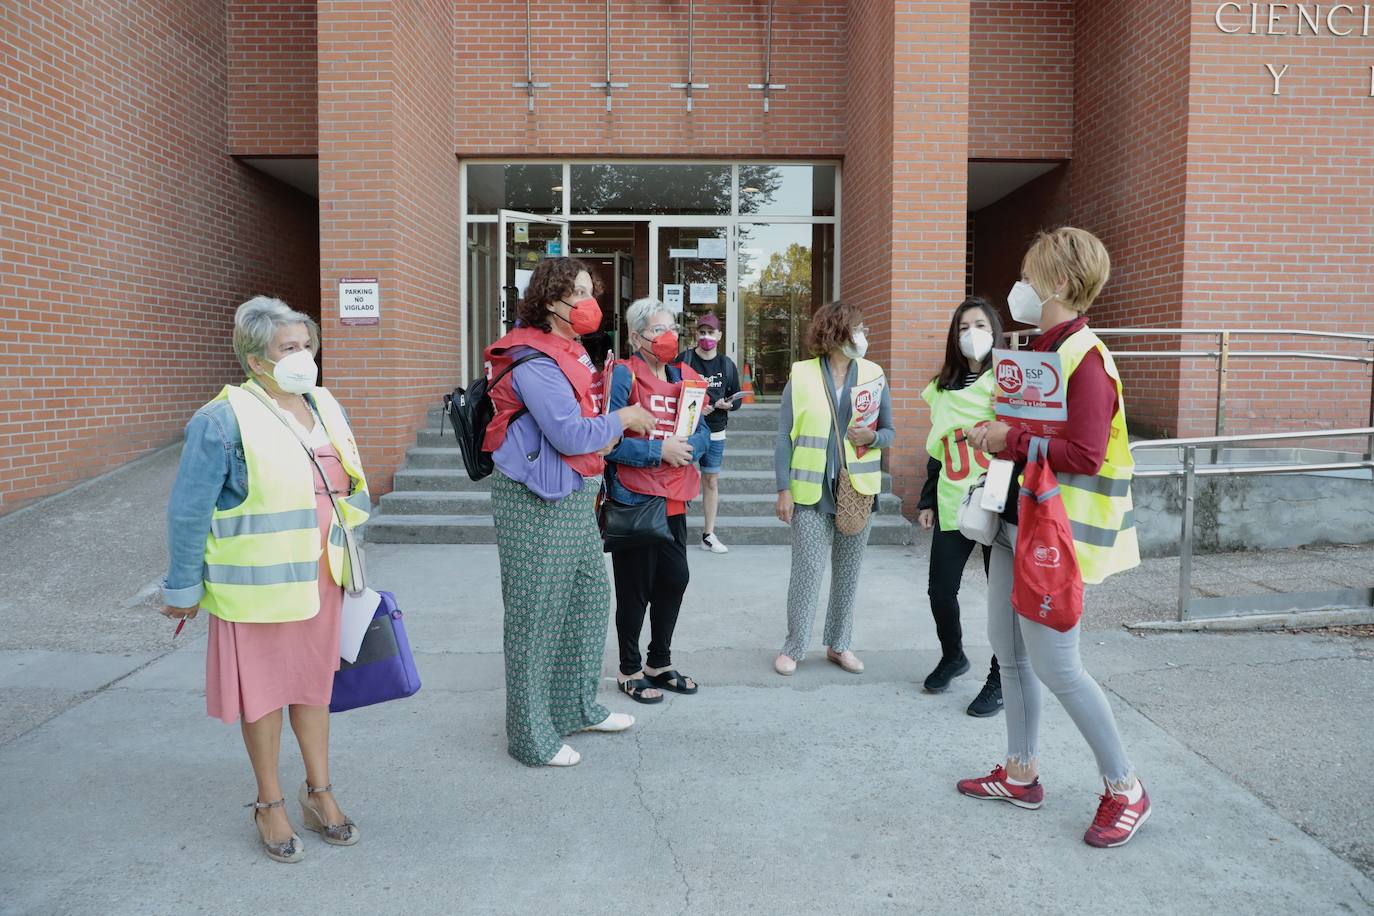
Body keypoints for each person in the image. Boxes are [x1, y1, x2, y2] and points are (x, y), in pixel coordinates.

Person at [958, 227, 1149, 848]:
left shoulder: (1085, 357)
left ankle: (1126, 788)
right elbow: (1037, 433)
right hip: (1020, 522)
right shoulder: (1045, 351)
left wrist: (1007, 439)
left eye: (1030, 276)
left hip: (1053, 537)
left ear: (1060, 283)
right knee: (1008, 655)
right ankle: (1020, 773)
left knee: (1057, 667)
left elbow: (1087, 453)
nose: (1020, 288)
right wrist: (998, 431)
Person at [160, 296, 369, 863]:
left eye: (306, 345)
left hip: (320, 580)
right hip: (254, 589)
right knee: (264, 696)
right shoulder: (221, 420)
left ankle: (319, 792)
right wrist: (182, 589)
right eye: (288, 349)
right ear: (256, 361)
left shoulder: (324, 404)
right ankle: (269, 802)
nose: (303, 357)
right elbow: (188, 511)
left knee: (312, 688)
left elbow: (347, 487)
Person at [482, 258, 657, 767]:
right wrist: (623, 418)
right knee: (536, 615)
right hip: (535, 498)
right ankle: (530, 736)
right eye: (576, 292)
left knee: (587, 599)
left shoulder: (571, 350)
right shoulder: (534, 358)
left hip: (575, 492)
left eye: (589, 290)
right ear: (550, 302)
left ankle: (575, 705)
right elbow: (568, 433)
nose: (588, 302)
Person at [772, 301, 894, 676]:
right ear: (837, 333)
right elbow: (783, 436)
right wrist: (783, 489)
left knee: (848, 572)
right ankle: (794, 647)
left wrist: (872, 436)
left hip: (856, 490)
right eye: (858, 329)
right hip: (809, 489)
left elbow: (888, 431)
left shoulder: (873, 374)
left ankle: (839, 645)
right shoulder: (802, 374)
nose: (864, 336)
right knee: (806, 572)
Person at [605, 298, 712, 703]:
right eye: (657, 330)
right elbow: (606, 442)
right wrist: (657, 451)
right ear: (636, 337)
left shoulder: (686, 376)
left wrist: (692, 448)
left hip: (675, 499)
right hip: (635, 500)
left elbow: (702, 427)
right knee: (635, 591)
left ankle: (659, 662)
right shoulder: (622, 376)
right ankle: (629, 669)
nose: (668, 338)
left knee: (674, 580)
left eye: (672, 329)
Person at [917, 297, 1004, 717]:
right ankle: (953, 656)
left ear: (994, 330)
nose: (972, 333)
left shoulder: (1007, 381)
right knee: (940, 590)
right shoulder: (941, 387)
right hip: (954, 502)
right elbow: (937, 448)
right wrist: (927, 499)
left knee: (1001, 597)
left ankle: (1002, 675)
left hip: (998, 501)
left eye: (980, 324)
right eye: (964, 326)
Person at [678, 312, 742, 553]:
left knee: (711, 480)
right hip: (688, 431)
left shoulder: (727, 365)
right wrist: (693, 407)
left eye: (711, 333)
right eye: (702, 332)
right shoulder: (684, 360)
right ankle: (675, 531)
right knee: (679, 478)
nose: (706, 337)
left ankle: (708, 534)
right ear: (697, 334)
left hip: (716, 430)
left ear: (720, 335)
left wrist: (729, 405)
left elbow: (737, 398)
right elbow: (672, 391)